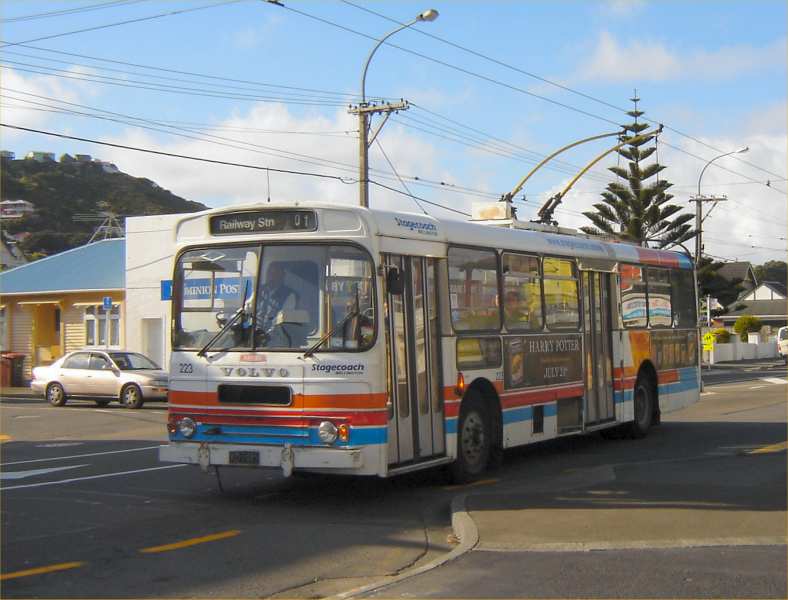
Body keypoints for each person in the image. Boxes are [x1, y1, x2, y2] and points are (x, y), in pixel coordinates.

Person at [255, 263, 297, 334]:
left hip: (275, 337)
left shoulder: (289, 295)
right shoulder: (259, 290)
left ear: (282, 276)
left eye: (275, 274)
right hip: (255, 334)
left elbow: (283, 318)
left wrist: (268, 333)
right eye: (269, 273)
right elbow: (248, 307)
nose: (271, 277)